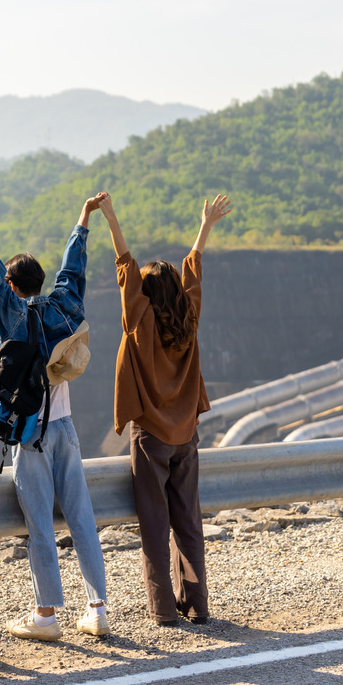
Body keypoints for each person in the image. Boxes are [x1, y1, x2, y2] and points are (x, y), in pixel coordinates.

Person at [91, 190, 231, 627]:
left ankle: (163, 611)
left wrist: (111, 218)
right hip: (186, 435)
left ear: (147, 295)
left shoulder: (141, 321)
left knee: (154, 525)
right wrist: (205, 225)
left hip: (150, 435)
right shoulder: (189, 318)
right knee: (188, 522)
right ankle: (198, 606)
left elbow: (125, 270)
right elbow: (192, 273)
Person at [0, 200, 110, 642]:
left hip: (32, 435)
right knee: (81, 517)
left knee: (40, 524)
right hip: (66, 428)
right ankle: (97, 609)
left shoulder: (14, 314)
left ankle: (46, 616)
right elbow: (72, 270)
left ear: (12, 286)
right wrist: (83, 219)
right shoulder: (63, 306)